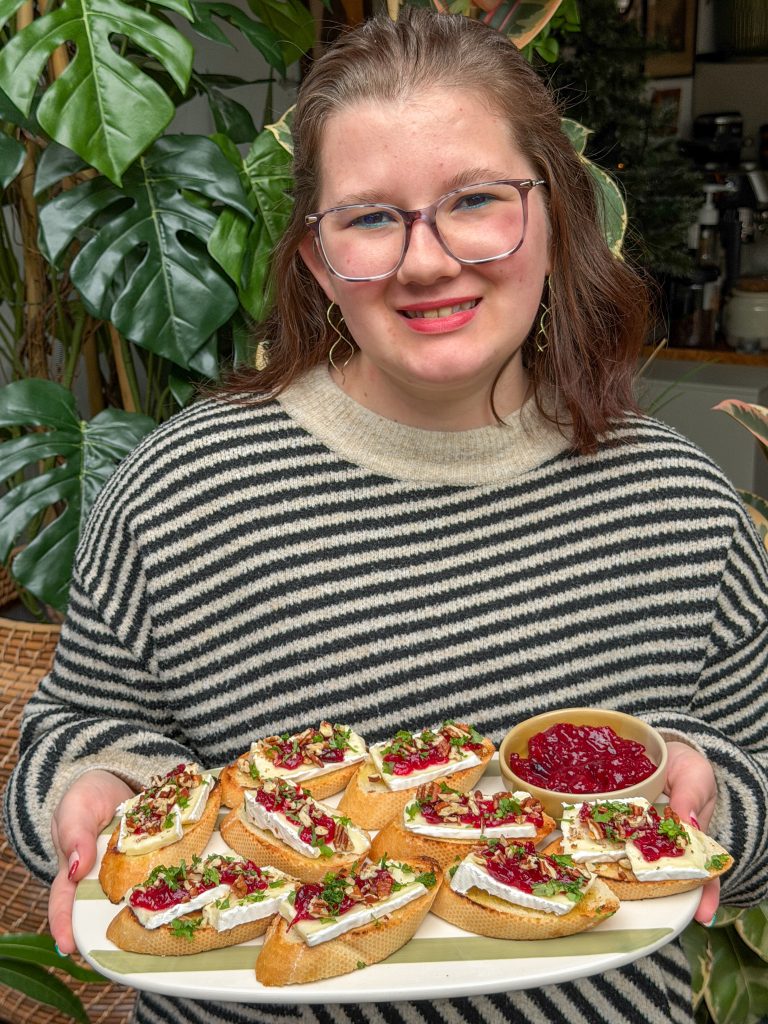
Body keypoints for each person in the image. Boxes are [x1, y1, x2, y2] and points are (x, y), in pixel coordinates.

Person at [5, 8, 768, 1024]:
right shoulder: (182, 489)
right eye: (370, 217)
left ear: (555, 218)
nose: (425, 261)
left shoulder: (680, 504)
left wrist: (702, 790)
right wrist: (88, 792)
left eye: (476, 201)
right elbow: (76, 728)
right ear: (319, 259)